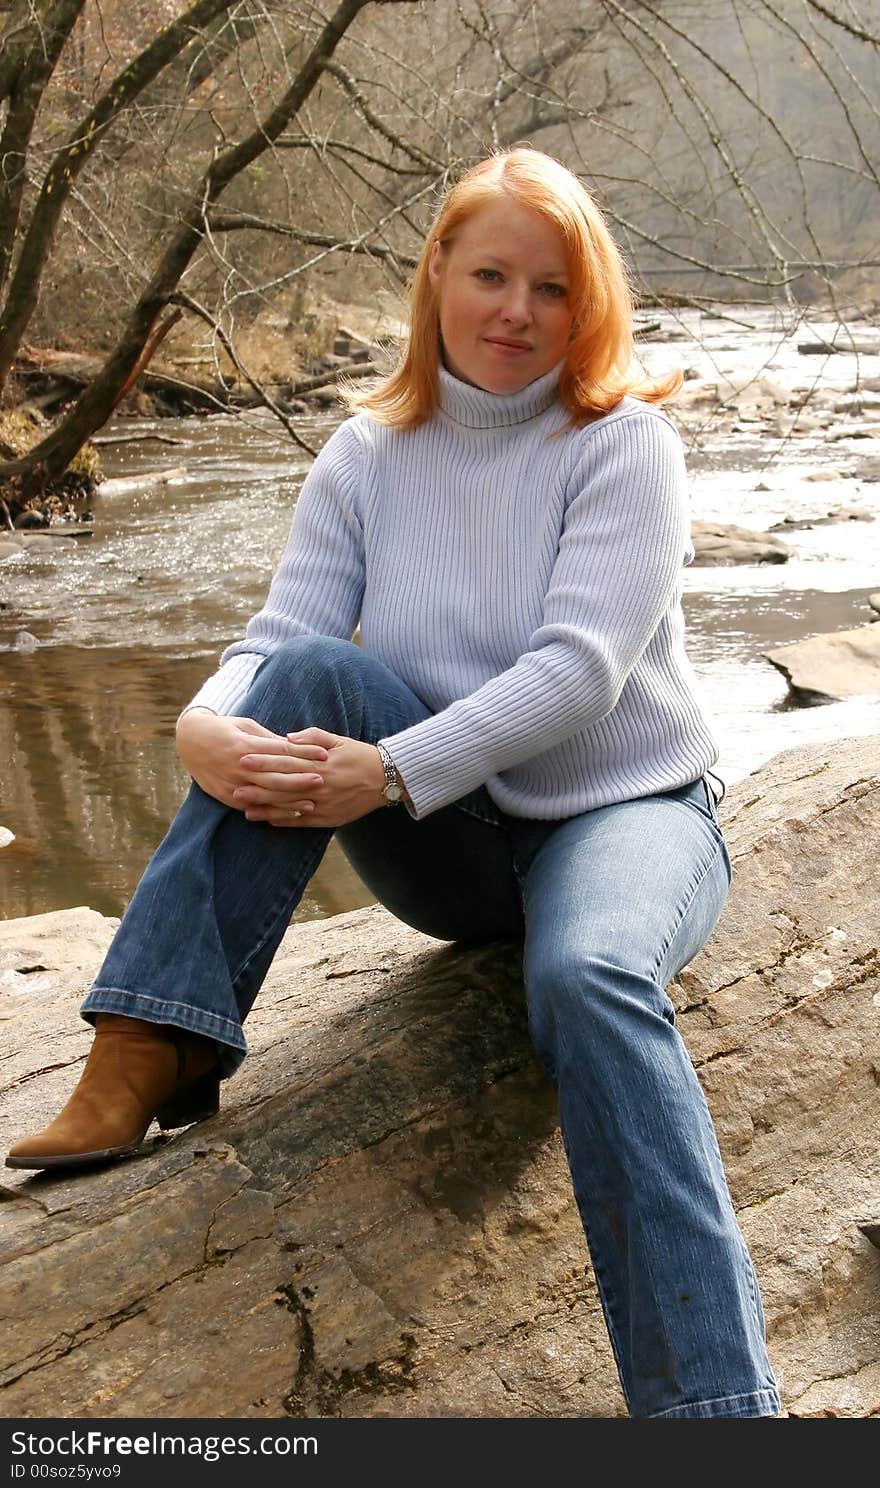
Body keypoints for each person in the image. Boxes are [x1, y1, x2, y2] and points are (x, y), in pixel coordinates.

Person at [6, 148, 781, 1420]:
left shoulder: (623, 445)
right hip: (456, 843)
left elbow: (581, 673)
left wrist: (392, 768)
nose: (514, 313)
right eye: (489, 275)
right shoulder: (369, 453)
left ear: (587, 304)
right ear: (436, 274)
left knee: (586, 976)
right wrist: (205, 720)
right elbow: (282, 635)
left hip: (623, 813)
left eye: (549, 287)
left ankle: (712, 1417)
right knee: (307, 672)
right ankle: (151, 1037)